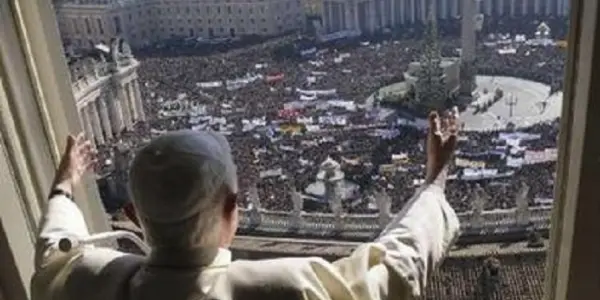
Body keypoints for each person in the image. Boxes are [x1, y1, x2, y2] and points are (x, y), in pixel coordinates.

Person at [32, 109, 461, 300]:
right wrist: (435, 181)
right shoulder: (286, 288)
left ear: (132, 217)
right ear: (232, 208)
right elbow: (393, 272)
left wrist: (65, 185)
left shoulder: (89, 281)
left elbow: (55, 252)